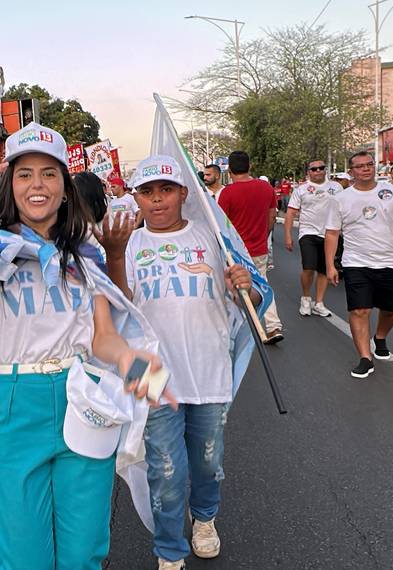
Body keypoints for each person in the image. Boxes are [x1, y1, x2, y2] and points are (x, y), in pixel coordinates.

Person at [0, 123, 172, 570]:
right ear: (9, 185)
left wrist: (145, 373)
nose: (36, 184)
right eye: (24, 174)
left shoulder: (84, 258)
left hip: (83, 401)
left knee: (84, 554)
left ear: (64, 188)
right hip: (14, 406)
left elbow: (105, 338)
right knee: (24, 558)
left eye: (49, 174)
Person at [98, 155, 263, 570]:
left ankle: (204, 519)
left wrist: (245, 287)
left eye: (166, 190)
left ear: (183, 193)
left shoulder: (212, 236)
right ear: (135, 198)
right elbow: (119, 308)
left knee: (208, 461)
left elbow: (253, 296)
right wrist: (115, 257)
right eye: (147, 192)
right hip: (152, 374)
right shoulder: (130, 244)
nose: (157, 201)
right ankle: (170, 549)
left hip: (209, 368)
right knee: (166, 469)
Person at [324, 151, 393, 379]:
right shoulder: (341, 199)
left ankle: (380, 337)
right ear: (351, 172)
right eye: (360, 166)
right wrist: (330, 265)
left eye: (369, 164)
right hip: (356, 262)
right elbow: (331, 233)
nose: (366, 169)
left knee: (390, 309)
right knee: (359, 310)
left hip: (389, 261)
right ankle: (365, 358)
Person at [218, 151, 284, 344]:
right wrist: (264, 235)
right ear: (250, 166)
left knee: (235, 289)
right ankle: (273, 327)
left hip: (236, 253)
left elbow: (222, 224)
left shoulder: (227, 193)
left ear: (229, 169)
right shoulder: (265, 188)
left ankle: (240, 332)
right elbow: (272, 216)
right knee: (262, 284)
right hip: (260, 247)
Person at [284, 159, 344, 317]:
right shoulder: (301, 190)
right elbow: (290, 213)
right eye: (314, 169)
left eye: (321, 168)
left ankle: (318, 302)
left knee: (324, 270)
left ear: (325, 170)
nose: (317, 171)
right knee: (308, 267)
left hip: (330, 234)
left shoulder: (336, 187)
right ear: (308, 172)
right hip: (308, 232)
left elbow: (345, 208)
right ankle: (306, 298)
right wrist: (288, 235)